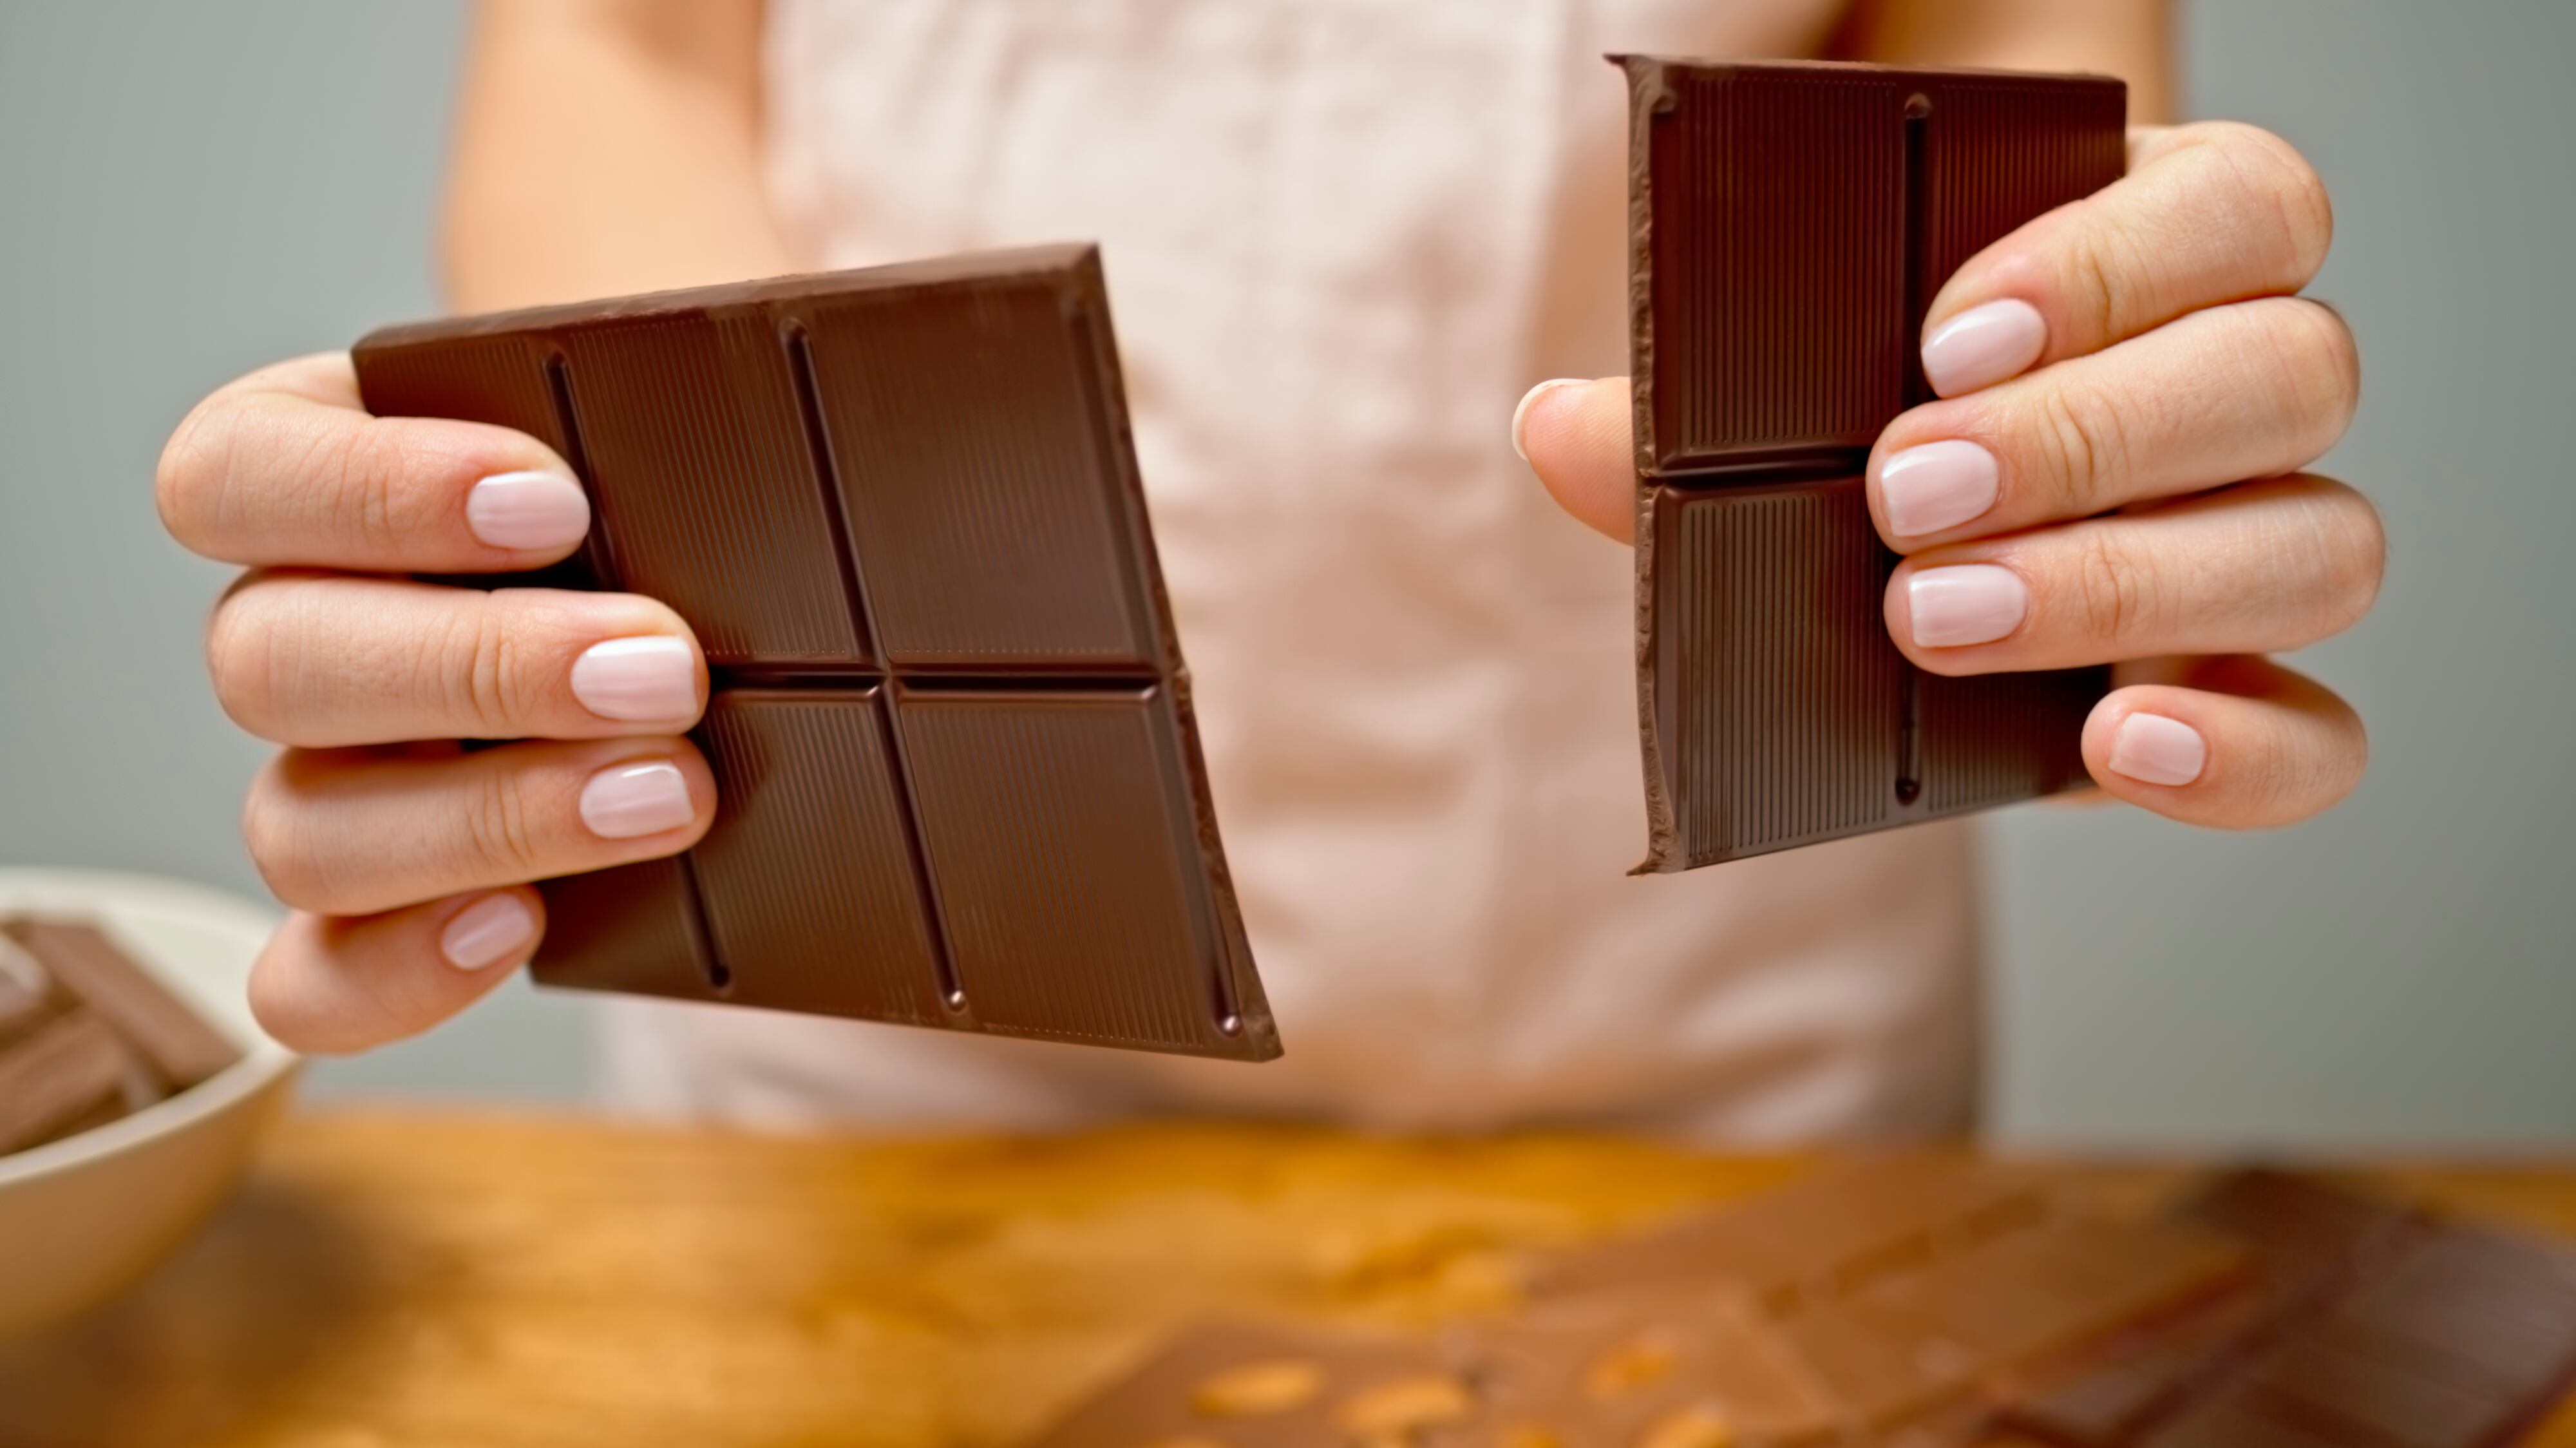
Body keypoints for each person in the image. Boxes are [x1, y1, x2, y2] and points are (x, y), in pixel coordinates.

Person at [153, 0, 2377, 1138]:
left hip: (1714, 1031)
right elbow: (623, 34)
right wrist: (607, 570)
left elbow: (1989, 57)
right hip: (879, 1034)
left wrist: (2071, 415)